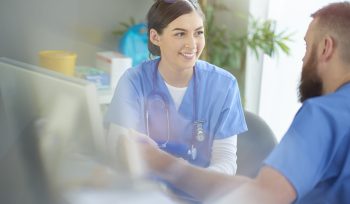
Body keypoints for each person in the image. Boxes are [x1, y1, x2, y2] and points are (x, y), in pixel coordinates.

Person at [134, 2, 350, 203]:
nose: (303, 60)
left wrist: (164, 165)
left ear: (325, 48)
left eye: (307, 47)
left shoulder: (324, 115)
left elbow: (263, 195)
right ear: (155, 38)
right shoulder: (137, 80)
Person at [104, 0, 247, 199]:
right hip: (145, 195)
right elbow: (115, 148)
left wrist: (189, 177)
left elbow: (227, 161)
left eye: (198, 32)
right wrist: (129, 151)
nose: (192, 44)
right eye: (180, 33)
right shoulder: (134, 81)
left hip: (198, 196)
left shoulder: (223, 85)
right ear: (155, 37)